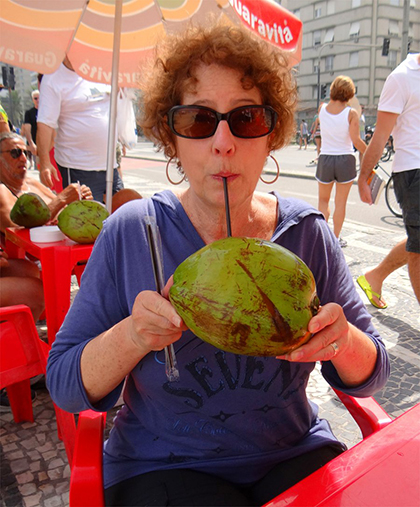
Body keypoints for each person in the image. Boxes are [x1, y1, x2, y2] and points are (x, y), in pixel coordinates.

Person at [47, 22, 389, 507]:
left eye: (246, 118)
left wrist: (341, 342)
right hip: (163, 465)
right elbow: (63, 383)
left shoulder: (306, 233)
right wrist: (132, 336)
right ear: (172, 136)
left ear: (272, 135)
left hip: (292, 453)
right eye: (198, 120)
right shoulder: (132, 232)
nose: (223, 143)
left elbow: (375, 371)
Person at [358, 53, 420, 306]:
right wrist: (364, 176)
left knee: (416, 240)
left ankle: (375, 275)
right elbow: (381, 135)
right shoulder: (402, 78)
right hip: (414, 172)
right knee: (418, 248)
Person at [36, 56, 124, 203]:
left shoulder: (100, 71)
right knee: (87, 222)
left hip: (110, 166)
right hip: (78, 167)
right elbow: (45, 123)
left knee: (122, 217)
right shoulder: (53, 78)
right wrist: (44, 162)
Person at [0, 132, 92, 234]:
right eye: (15, 153)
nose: (24, 158)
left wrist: (79, 201)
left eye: (26, 153)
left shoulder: (31, 183)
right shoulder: (2, 190)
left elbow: (63, 210)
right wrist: (62, 199)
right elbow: (15, 231)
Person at [315, 76, 367, 248]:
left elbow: (320, 127)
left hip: (325, 158)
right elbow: (356, 140)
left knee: (323, 201)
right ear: (350, 93)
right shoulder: (351, 114)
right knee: (340, 202)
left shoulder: (321, 109)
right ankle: (335, 240)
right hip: (345, 159)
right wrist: (370, 152)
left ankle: (323, 237)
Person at [21, 89, 40, 169]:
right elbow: (27, 130)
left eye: (39, 98)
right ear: (33, 100)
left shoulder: (47, 111)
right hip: (36, 145)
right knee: (40, 168)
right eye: (35, 98)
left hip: (48, 144)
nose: (38, 100)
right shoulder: (29, 113)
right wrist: (31, 143)